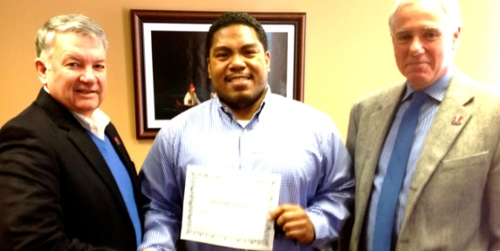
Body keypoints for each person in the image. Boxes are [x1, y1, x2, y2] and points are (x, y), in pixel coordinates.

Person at [139, 12, 354, 251]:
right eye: (223, 55)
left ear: (267, 60)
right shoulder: (174, 135)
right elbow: (159, 207)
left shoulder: (317, 128)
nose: (237, 63)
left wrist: (316, 223)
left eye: (249, 52)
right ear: (209, 67)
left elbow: (342, 193)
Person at [340, 0, 500, 250]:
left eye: (430, 34)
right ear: (393, 41)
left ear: (455, 37)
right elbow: (350, 204)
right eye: (404, 36)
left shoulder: (492, 113)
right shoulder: (366, 111)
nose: (415, 48)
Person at [0, 14, 143, 250]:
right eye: (73, 64)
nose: (89, 77)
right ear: (43, 70)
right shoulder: (26, 137)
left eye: (98, 66)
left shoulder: (104, 127)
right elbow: (30, 243)